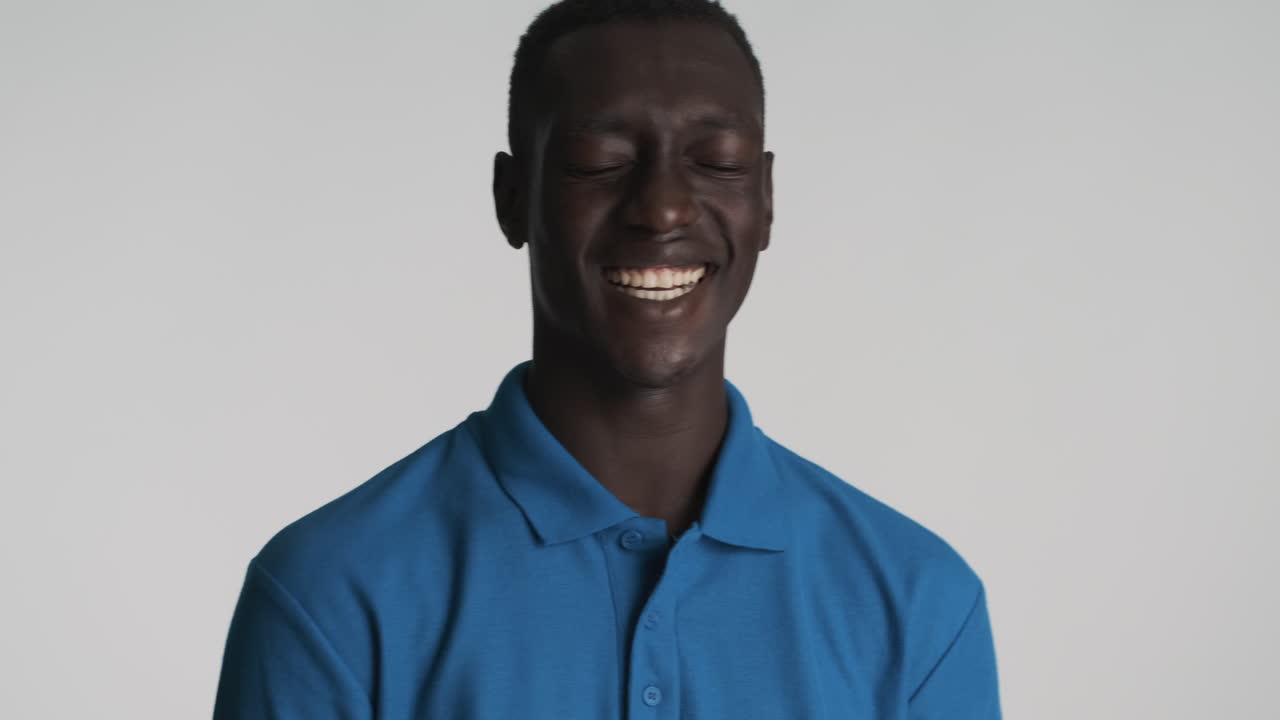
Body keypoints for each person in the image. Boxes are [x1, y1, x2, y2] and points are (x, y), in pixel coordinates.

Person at [212, 1, 1002, 717]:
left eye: (718, 161)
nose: (662, 207)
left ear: (765, 200)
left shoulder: (919, 602)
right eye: (599, 161)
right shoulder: (332, 594)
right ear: (512, 198)